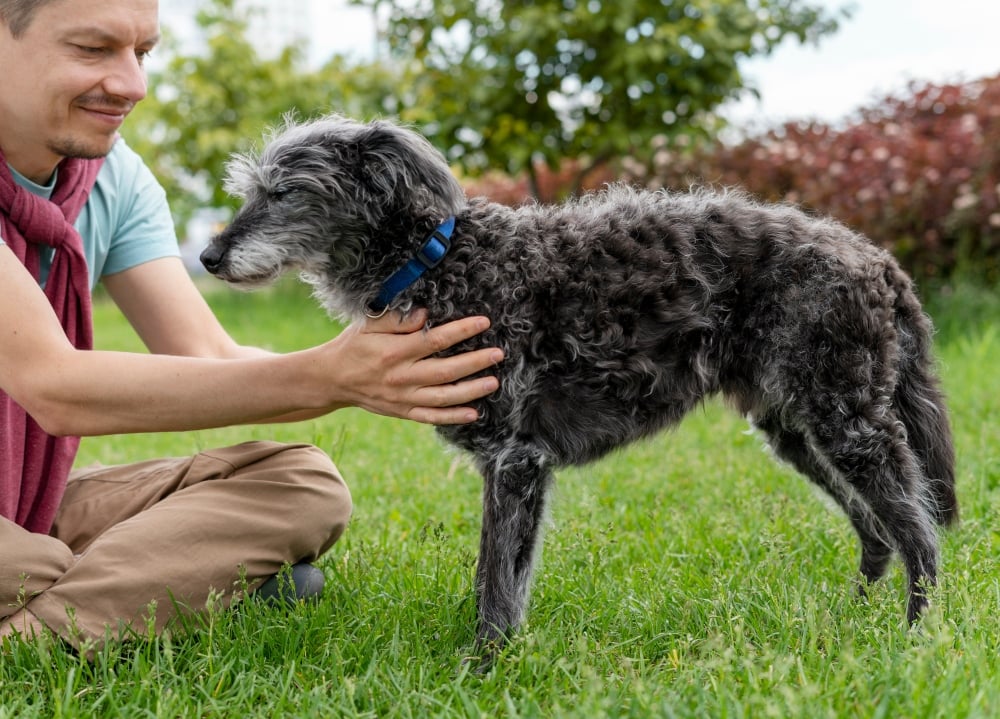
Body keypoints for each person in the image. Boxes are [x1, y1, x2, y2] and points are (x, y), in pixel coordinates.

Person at [0, 0, 502, 648]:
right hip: (27, 536)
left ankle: (88, 593)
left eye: (143, 52)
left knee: (303, 484)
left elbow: (204, 352)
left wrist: (385, 364)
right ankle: (64, 621)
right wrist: (329, 375)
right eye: (93, 50)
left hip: (26, 505)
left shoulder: (112, 179)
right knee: (32, 561)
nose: (132, 85)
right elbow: (54, 385)